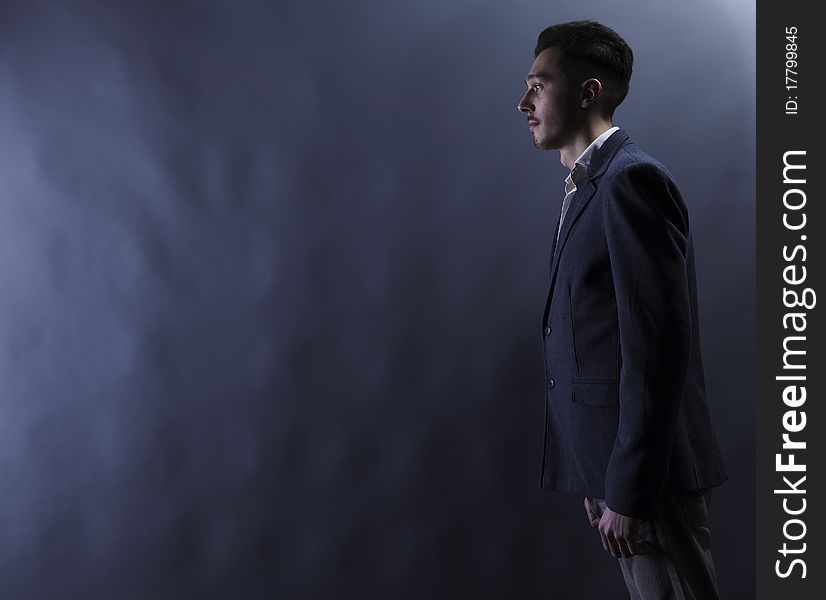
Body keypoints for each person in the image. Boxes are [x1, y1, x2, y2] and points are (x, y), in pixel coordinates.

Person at [517, 20, 728, 599]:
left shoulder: (630, 181)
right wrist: (602, 470)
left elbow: (657, 347)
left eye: (538, 85)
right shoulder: (587, 186)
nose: (523, 103)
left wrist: (630, 483)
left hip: (648, 475)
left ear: (589, 91)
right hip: (618, 466)